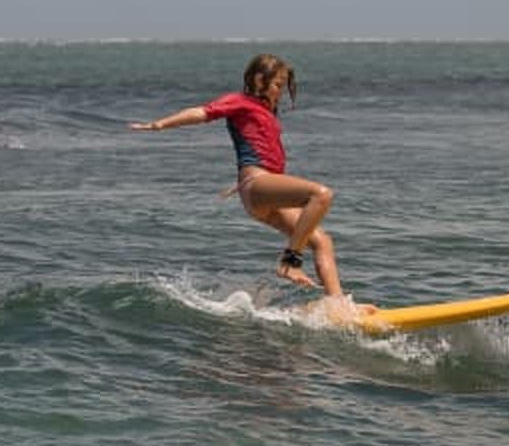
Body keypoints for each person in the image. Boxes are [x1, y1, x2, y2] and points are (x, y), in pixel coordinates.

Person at [130, 53, 376, 312]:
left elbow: (258, 150)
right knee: (321, 194)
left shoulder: (266, 111)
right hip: (258, 185)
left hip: (264, 191)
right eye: (278, 85)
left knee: (322, 241)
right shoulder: (240, 101)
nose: (281, 92)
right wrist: (160, 125)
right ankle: (289, 262)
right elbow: (202, 112)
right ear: (259, 80)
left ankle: (338, 304)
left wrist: (241, 182)